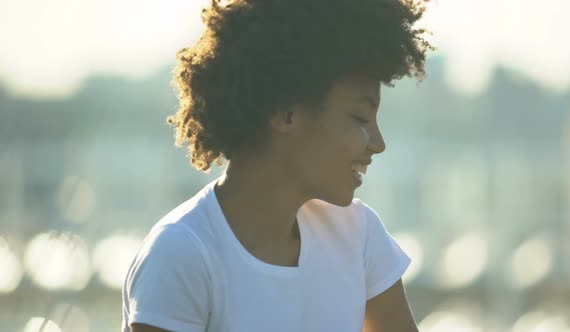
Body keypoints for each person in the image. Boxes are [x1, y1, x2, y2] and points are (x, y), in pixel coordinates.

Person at [121, 0, 434, 330]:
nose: (378, 143)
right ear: (286, 114)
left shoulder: (358, 235)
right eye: (360, 118)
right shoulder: (181, 255)